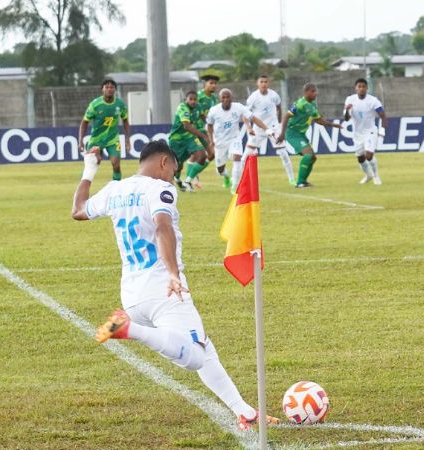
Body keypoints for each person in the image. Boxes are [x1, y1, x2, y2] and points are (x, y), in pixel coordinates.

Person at [71, 140, 278, 431]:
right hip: (162, 290)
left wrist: (89, 169)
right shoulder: (160, 188)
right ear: (164, 163)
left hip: (132, 293)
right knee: (194, 356)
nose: (173, 178)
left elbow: (78, 210)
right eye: (174, 170)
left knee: (204, 348)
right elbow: (162, 226)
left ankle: (243, 411)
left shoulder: (114, 189)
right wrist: (172, 274)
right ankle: (128, 328)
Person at [277, 83, 342, 188]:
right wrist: (282, 133)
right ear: (306, 92)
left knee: (313, 158)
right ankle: (299, 183)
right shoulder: (299, 104)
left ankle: (303, 181)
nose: (316, 93)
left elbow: (318, 120)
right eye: (313, 91)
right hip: (292, 133)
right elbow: (286, 117)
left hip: (301, 134)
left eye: (315, 91)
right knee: (308, 155)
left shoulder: (313, 105)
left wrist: (332, 125)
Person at [206, 89, 269, 191]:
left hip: (234, 139)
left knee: (237, 158)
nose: (226, 99)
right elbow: (209, 126)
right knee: (220, 169)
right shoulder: (214, 111)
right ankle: (226, 176)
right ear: (220, 99)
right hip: (220, 142)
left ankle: (235, 188)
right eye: (223, 97)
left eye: (228, 97)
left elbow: (253, 118)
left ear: (231, 98)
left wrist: (266, 129)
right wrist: (211, 141)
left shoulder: (238, 107)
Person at [245, 75, 295, 184]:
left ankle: (291, 179)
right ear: (257, 83)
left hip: (273, 128)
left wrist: (278, 124)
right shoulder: (253, 97)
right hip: (258, 129)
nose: (263, 84)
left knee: (283, 153)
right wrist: (249, 128)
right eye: (261, 82)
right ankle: (240, 180)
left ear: (268, 83)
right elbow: (245, 114)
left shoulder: (274, 95)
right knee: (247, 154)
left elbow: (278, 107)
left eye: (265, 82)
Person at [78, 78, 131, 181]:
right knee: (91, 166)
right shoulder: (95, 105)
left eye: (112, 87)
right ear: (102, 89)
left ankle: (116, 188)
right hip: (96, 140)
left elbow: (125, 121)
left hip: (112, 139)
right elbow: (84, 122)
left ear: (115, 89)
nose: (109, 89)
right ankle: (83, 189)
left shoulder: (120, 105)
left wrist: (128, 139)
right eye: (107, 87)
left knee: (116, 164)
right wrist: (80, 140)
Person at [344, 78, 388, 185]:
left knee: (369, 155)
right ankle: (368, 175)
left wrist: (382, 130)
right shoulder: (350, 100)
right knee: (360, 158)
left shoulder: (373, 100)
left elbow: (383, 116)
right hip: (357, 133)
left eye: (364, 87)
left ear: (367, 88)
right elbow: (346, 118)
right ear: (356, 88)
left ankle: (376, 176)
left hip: (370, 131)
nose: (361, 89)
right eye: (359, 86)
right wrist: (347, 110)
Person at [169, 91, 210, 192]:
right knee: (178, 165)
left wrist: (212, 123)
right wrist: (202, 135)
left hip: (190, 138)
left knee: (202, 155)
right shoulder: (182, 108)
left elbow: (203, 117)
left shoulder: (198, 107)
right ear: (186, 100)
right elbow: (186, 126)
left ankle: (188, 181)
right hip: (176, 140)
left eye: (195, 99)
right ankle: (177, 179)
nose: (193, 101)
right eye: (190, 99)